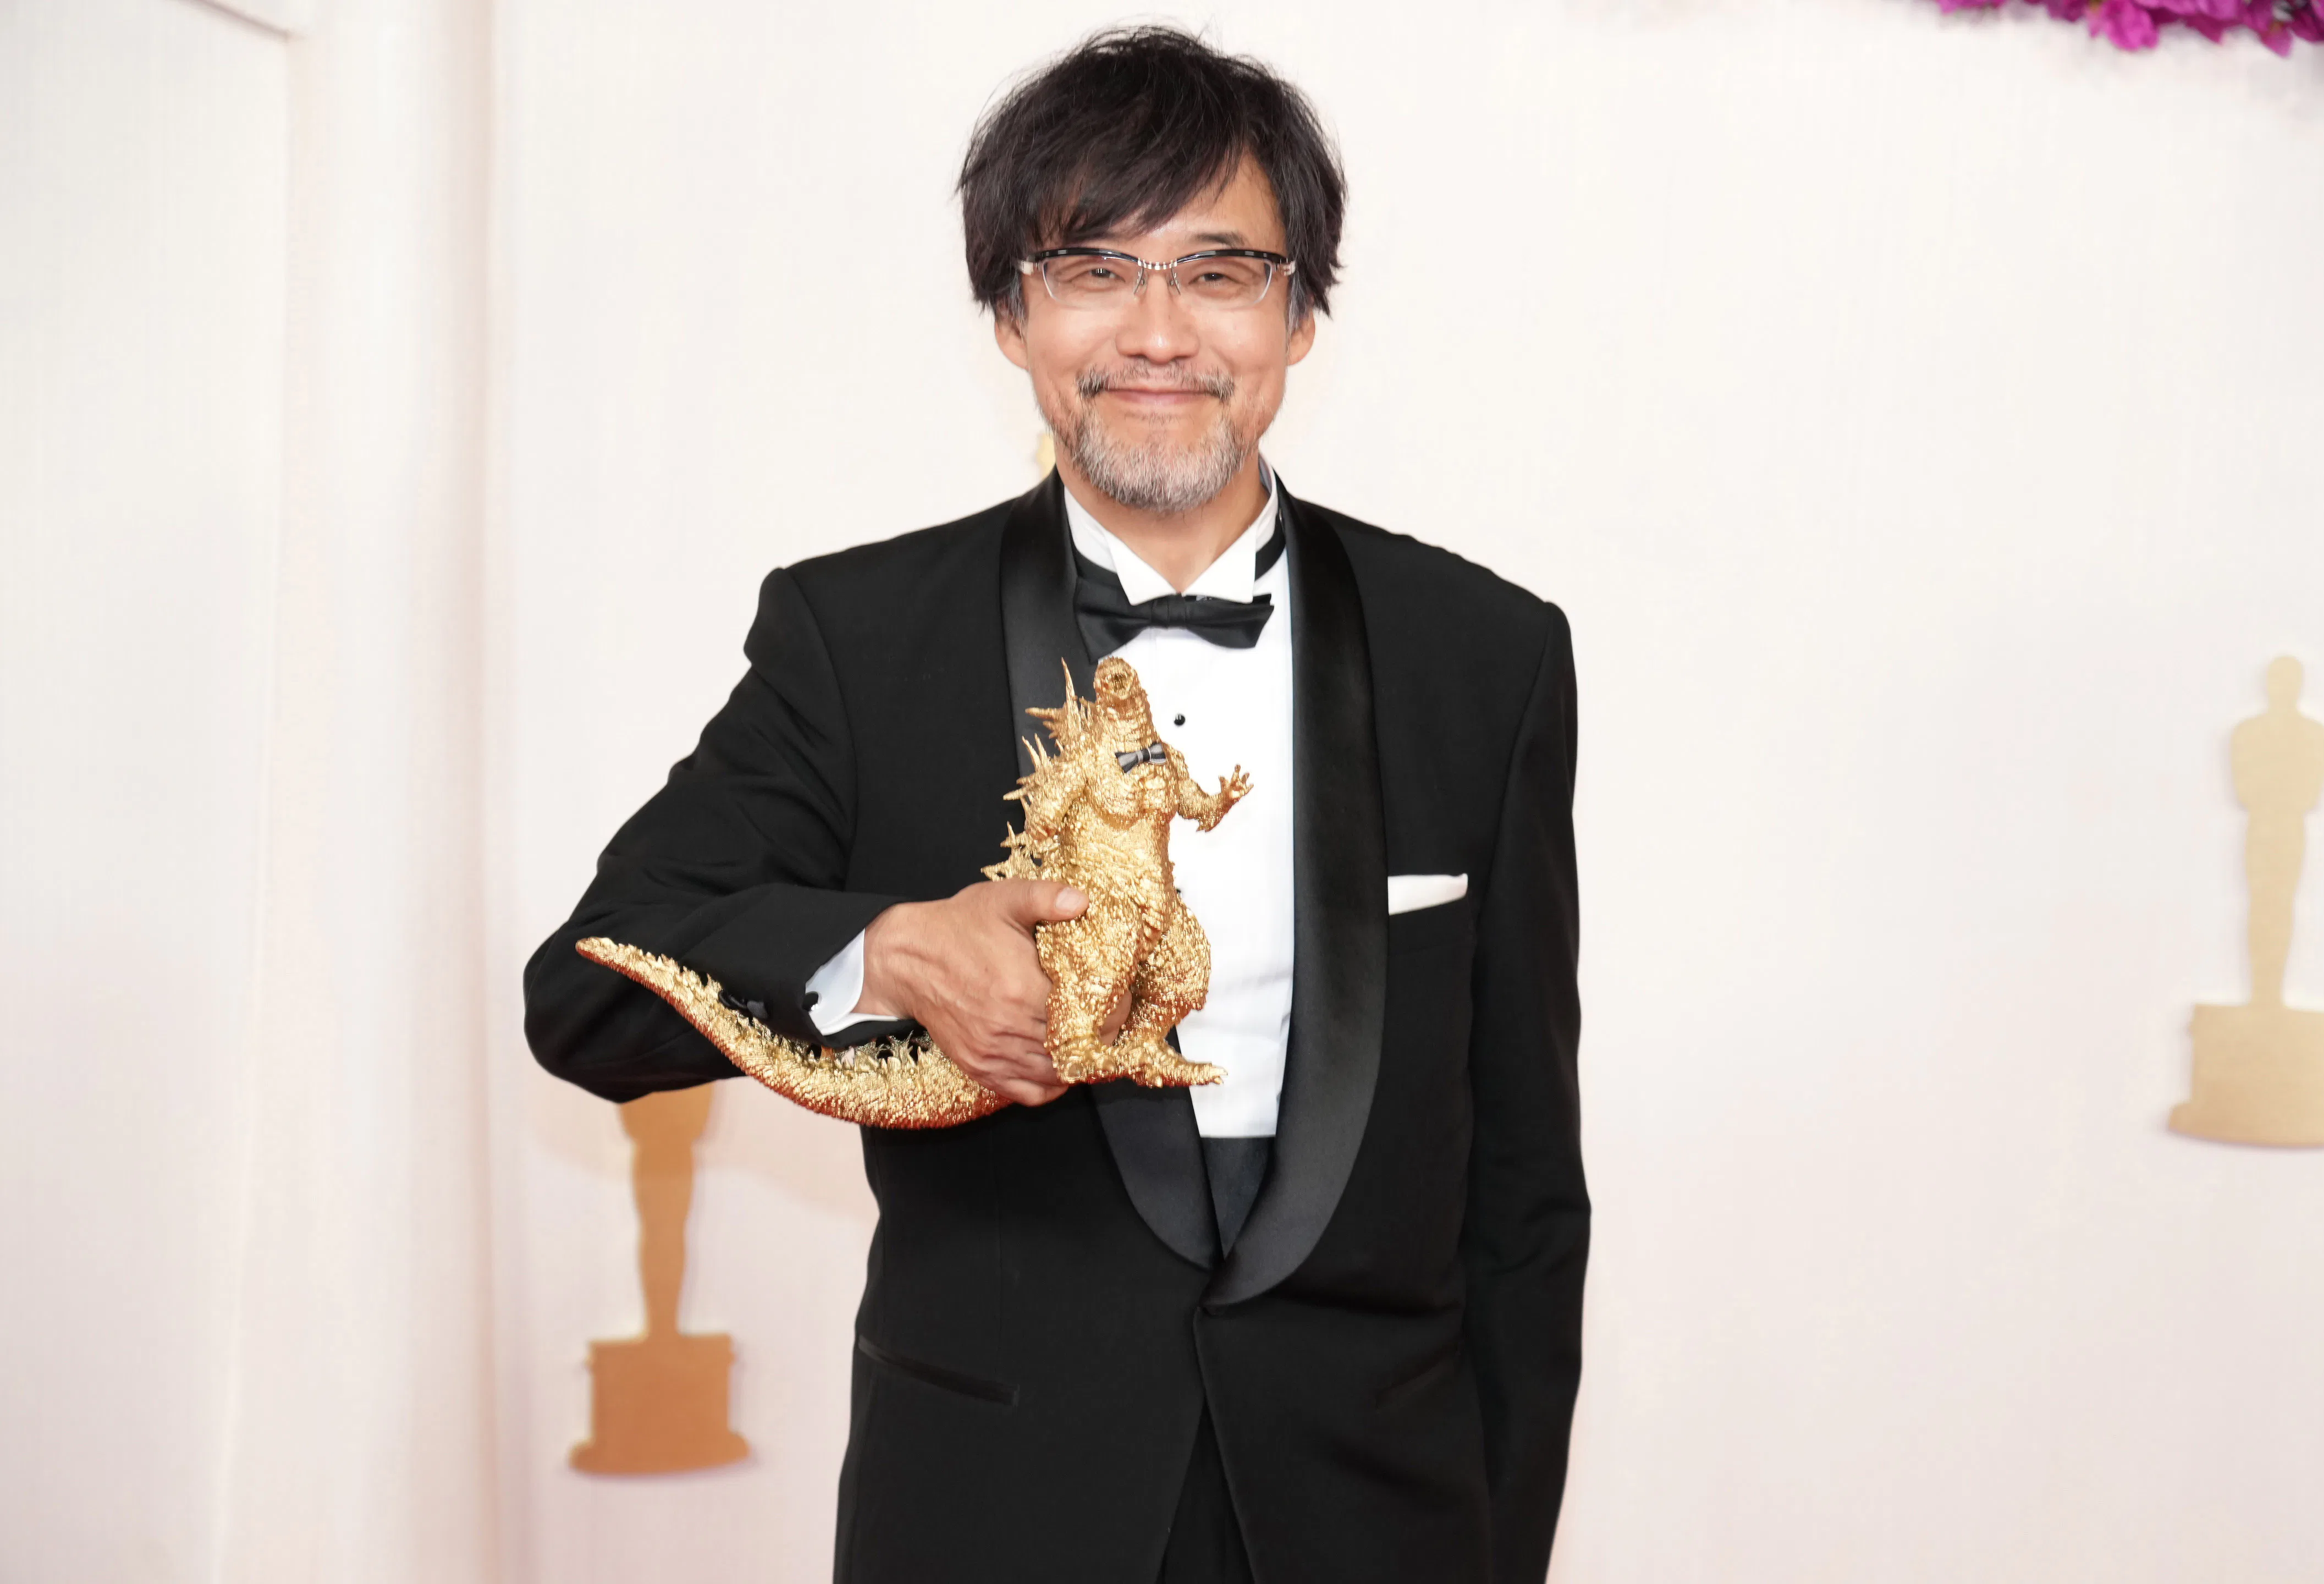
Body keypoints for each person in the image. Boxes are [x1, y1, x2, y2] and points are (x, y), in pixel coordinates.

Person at [525, 26, 1586, 1583]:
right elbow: (588, 990)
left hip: (1384, 1518)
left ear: (1299, 315)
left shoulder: (1488, 655)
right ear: (1013, 313)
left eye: (1219, 272)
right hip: (988, 1515)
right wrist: (879, 952)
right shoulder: (856, 635)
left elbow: (1526, 1197)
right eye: (1096, 267)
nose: (1158, 331)